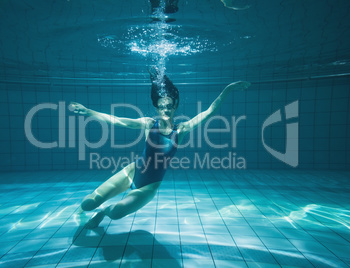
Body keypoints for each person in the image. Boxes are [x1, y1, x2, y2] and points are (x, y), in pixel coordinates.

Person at [70, 67, 250, 227]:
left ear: (175, 106)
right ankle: (87, 210)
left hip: (149, 186)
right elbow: (118, 121)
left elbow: (209, 111)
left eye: (169, 106)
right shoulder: (149, 123)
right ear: (156, 107)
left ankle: (103, 212)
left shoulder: (182, 130)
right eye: (161, 107)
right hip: (132, 172)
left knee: (116, 212)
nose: (165, 110)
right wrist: (88, 112)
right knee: (88, 203)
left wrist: (228, 89)